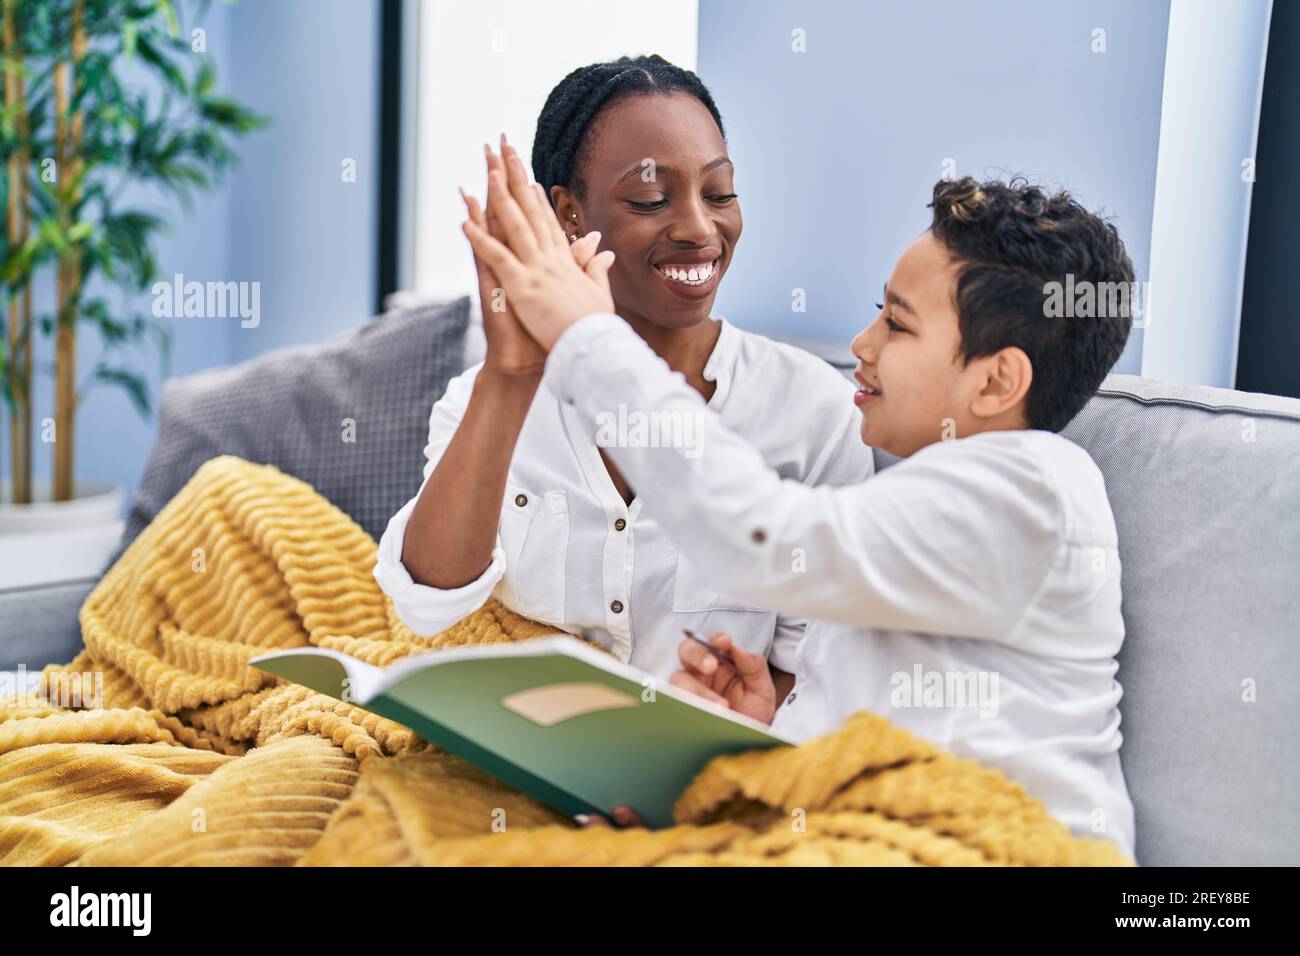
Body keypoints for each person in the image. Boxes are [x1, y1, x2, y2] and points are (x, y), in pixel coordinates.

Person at [460, 155, 1138, 857]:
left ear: (997, 381)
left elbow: (757, 538)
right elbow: (893, 726)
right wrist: (777, 727)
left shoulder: (1031, 489)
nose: (862, 344)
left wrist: (587, 338)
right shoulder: (933, 496)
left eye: (898, 325)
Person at [373, 56, 872, 701]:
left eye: (719, 193)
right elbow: (428, 603)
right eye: (650, 200)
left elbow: (817, 668)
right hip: (519, 761)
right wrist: (510, 374)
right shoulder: (482, 399)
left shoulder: (816, 412)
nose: (699, 228)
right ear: (568, 212)